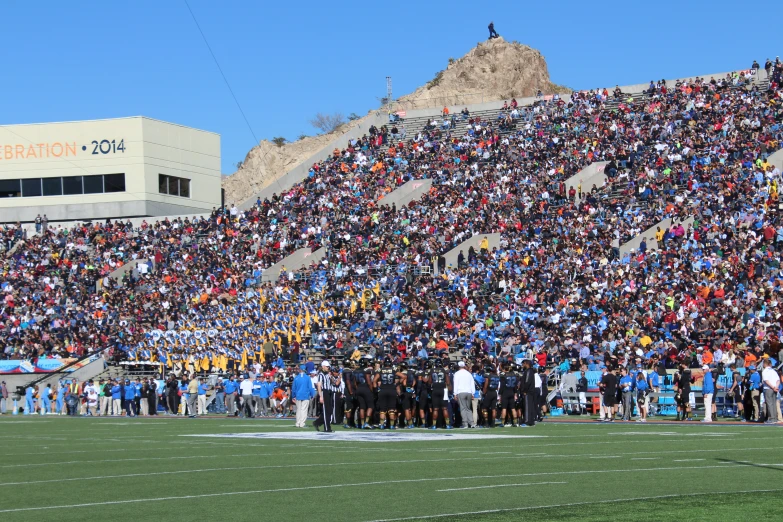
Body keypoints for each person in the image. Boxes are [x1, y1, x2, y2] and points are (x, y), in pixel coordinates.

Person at [313, 360, 340, 433]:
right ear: (323, 367)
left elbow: (332, 383)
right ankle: (327, 428)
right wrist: (320, 396)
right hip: (324, 392)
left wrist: (330, 377)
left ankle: (317, 422)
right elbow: (319, 385)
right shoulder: (321, 375)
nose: (328, 368)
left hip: (329, 392)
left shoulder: (328, 374)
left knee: (329, 410)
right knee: (326, 411)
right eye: (327, 367)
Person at [429, 359, 452, 429]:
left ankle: (434, 425)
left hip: (435, 390)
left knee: (435, 409)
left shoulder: (432, 370)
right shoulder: (444, 371)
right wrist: (449, 390)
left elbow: (429, 382)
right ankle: (448, 425)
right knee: (444, 408)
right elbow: (448, 382)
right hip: (442, 390)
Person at [453, 361, 476, 428]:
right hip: (469, 392)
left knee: (463, 408)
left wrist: (455, 393)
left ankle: (465, 423)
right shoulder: (468, 373)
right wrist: (473, 393)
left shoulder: (457, 374)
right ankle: (472, 423)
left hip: (461, 392)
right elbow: (472, 383)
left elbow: (456, 384)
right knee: (468, 408)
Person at [761, 359, 780, 424]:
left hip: (768, 388)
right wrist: (776, 387)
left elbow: (766, 381)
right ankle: (775, 418)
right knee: (774, 403)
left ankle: (771, 418)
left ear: (765, 364)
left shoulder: (765, 371)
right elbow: (778, 380)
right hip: (775, 388)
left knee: (769, 404)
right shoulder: (774, 371)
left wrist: (772, 387)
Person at [520, 359, 537, 427]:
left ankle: (527, 421)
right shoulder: (530, 371)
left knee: (527, 406)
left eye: (523, 364)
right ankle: (531, 421)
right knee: (530, 406)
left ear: (526, 363)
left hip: (528, 392)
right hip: (530, 391)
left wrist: (524, 390)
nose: (522, 365)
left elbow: (527, 381)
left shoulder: (528, 371)